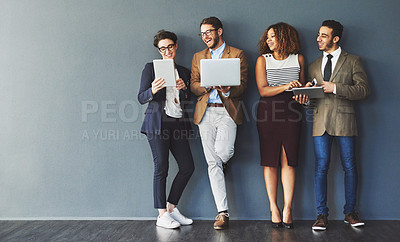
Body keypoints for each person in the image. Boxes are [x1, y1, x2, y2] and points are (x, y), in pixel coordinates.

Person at [295, 20, 370, 231]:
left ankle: (350, 212)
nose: (318, 39)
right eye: (318, 35)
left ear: (335, 38)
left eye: (324, 35)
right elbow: (313, 101)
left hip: (345, 121)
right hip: (320, 123)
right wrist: (306, 98)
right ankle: (321, 215)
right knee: (321, 168)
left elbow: (364, 90)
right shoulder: (313, 66)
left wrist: (336, 87)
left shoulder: (353, 61)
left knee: (349, 166)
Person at [190, 16, 248, 230]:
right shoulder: (198, 56)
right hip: (205, 113)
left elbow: (243, 86)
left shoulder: (238, 54)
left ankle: (221, 160)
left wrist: (227, 90)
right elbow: (193, 85)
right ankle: (222, 213)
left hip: (227, 111)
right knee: (212, 164)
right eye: (202, 33)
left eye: (209, 32)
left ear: (219, 31)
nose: (206, 36)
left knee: (223, 152)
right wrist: (207, 86)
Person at [138, 30, 195, 229]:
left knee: (188, 167)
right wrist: (153, 89)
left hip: (178, 123)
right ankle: (161, 214)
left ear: (176, 46)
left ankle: (171, 208)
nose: (167, 51)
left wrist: (184, 89)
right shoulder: (151, 68)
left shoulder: (184, 71)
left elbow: (188, 101)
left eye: (170, 47)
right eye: (162, 48)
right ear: (159, 50)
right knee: (161, 167)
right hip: (157, 124)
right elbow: (141, 97)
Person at [255, 22, 305, 229]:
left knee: (288, 159)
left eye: (273, 36)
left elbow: (302, 90)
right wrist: (286, 86)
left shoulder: (299, 59)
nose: (269, 40)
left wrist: (304, 93)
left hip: (293, 112)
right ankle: (273, 207)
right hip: (268, 112)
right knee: (270, 160)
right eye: (267, 37)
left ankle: (288, 208)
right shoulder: (262, 60)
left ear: (285, 37)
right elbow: (263, 91)